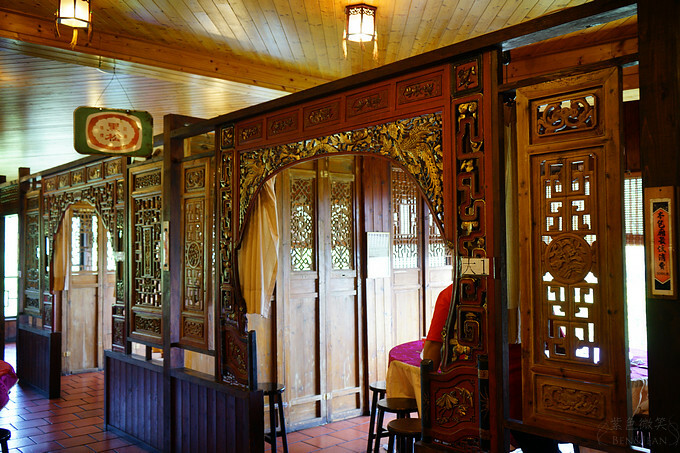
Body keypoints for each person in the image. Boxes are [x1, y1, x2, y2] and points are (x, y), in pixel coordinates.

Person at [422, 284, 561, 453]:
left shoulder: (453, 293)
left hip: (473, 395)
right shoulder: (530, 290)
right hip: (528, 392)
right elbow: (559, 345)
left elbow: (432, 353)